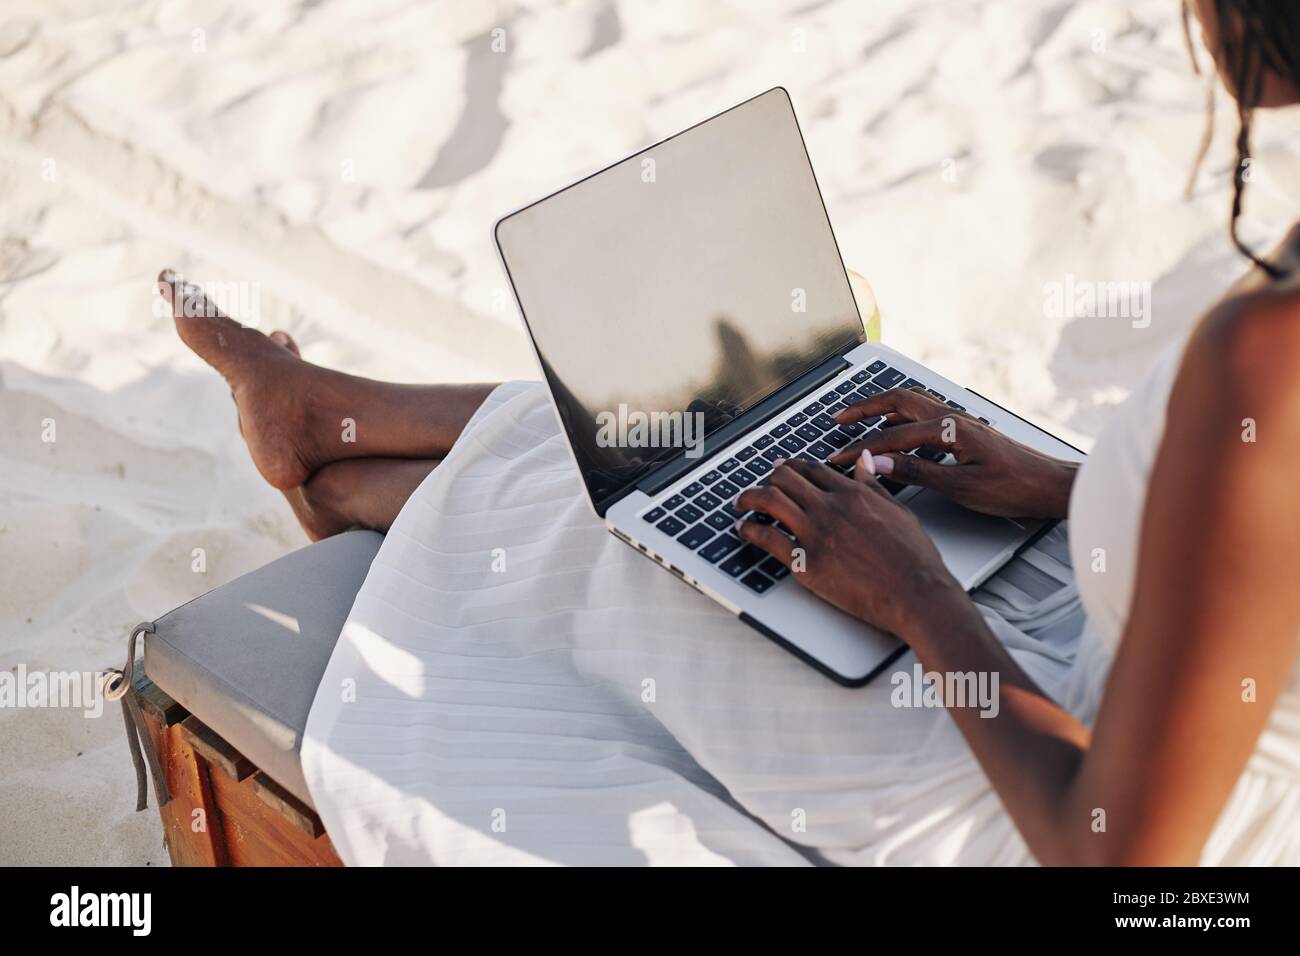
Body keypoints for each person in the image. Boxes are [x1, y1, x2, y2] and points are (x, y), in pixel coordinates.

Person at [159, 0, 1300, 865]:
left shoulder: (1267, 354)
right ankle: (336, 440)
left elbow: (1124, 856)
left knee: (652, 521)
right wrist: (1058, 484)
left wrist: (918, 597)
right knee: (709, 454)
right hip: (1140, 666)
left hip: (1046, 797)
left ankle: (342, 462)